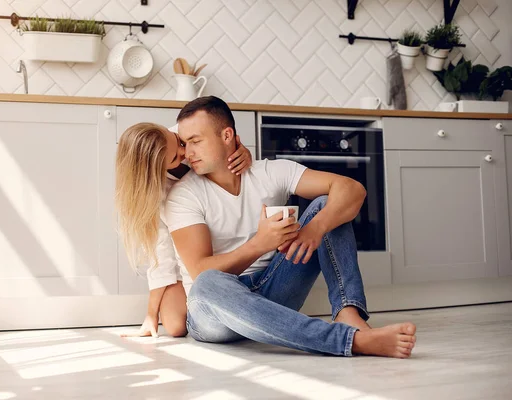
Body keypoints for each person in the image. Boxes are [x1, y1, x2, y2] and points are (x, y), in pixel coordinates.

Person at [165, 96, 417, 358]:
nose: (188, 152)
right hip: (215, 312)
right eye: (185, 143)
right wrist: (260, 245)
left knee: (327, 205)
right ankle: (350, 341)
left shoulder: (270, 173)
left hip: (272, 289)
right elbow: (199, 270)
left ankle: (348, 315)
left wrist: (315, 228)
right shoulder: (184, 195)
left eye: (196, 141)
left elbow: (352, 190)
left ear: (227, 135)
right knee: (206, 283)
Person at [115, 122, 253, 338]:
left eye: (179, 141)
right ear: (157, 170)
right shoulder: (158, 194)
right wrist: (151, 314)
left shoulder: (184, 131)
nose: (185, 152)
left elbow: (218, 132)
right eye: (175, 157)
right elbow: (162, 254)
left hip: (212, 242)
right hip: (180, 257)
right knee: (176, 327)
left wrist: (239, 148)